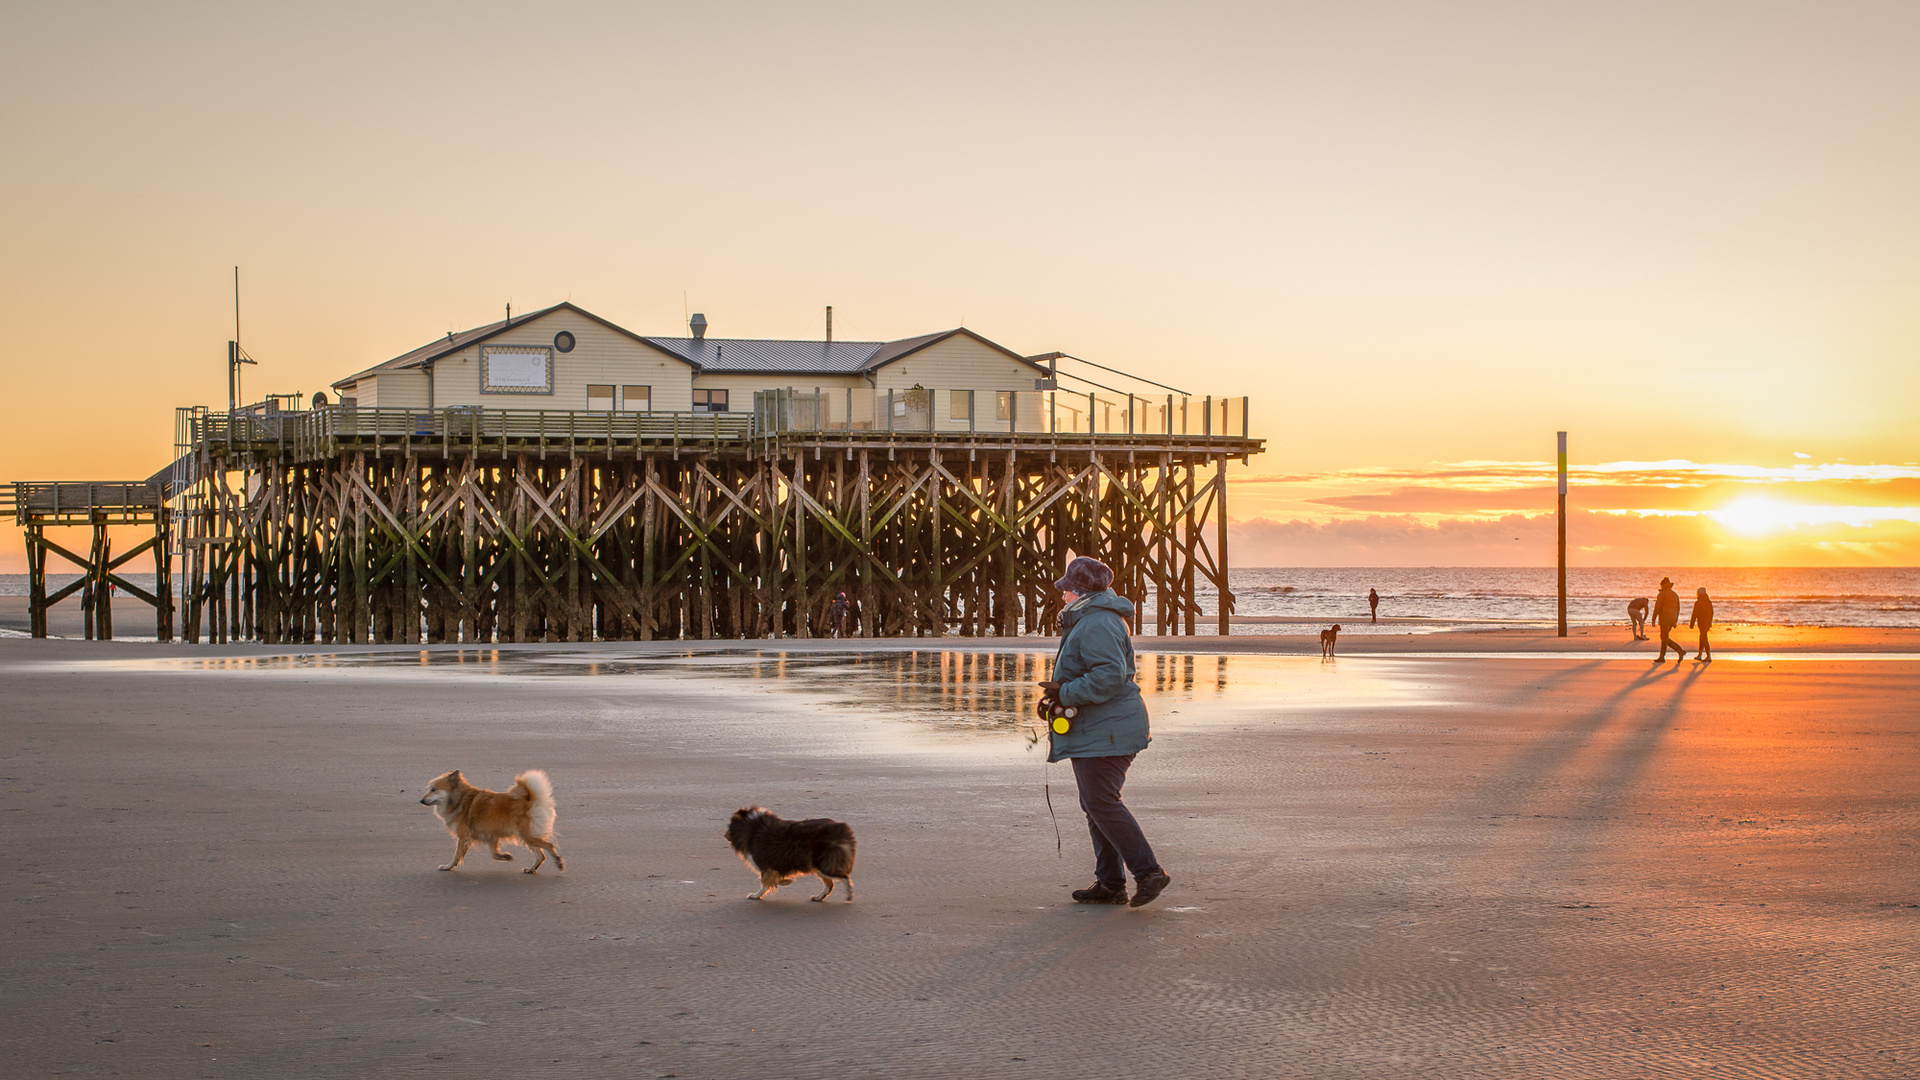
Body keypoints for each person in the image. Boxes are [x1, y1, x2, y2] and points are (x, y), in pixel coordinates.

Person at [1038, 556, 1170, 908]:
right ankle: (1111, 883)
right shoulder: (1090, 619)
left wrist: (1064, 693)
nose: (1062, 595)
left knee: (1100, 801)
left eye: (1066, 589)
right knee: (1096, 802)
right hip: (1102, 725)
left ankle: (1149, 872)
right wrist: (1059, 695)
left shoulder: (1097, 622)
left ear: (1079, 591)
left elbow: (1109, 676)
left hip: (1110, 728)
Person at [1652, 577, 1686, 663]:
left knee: (1664, 638)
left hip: (1664, 619)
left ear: (1663, 585)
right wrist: (1675, 620)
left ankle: (1679, 650)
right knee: (1664, 638)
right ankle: (1662, 657)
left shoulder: (1662, 594)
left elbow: (1657, 607)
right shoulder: (1675, 595)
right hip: (1672, 619)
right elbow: (1678, 609)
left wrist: (1653, 618)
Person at [1689, 587, 1714, 662]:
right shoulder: (1708, 602)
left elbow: (1695, 613)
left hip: (1701, 622)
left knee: (1703, 638)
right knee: (1702, 637)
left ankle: (1708, 655)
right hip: (1707, 623)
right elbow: (1711, 613)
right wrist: (1710, 622)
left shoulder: (1698, 602)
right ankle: (1700, 654)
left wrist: (1692, 623)